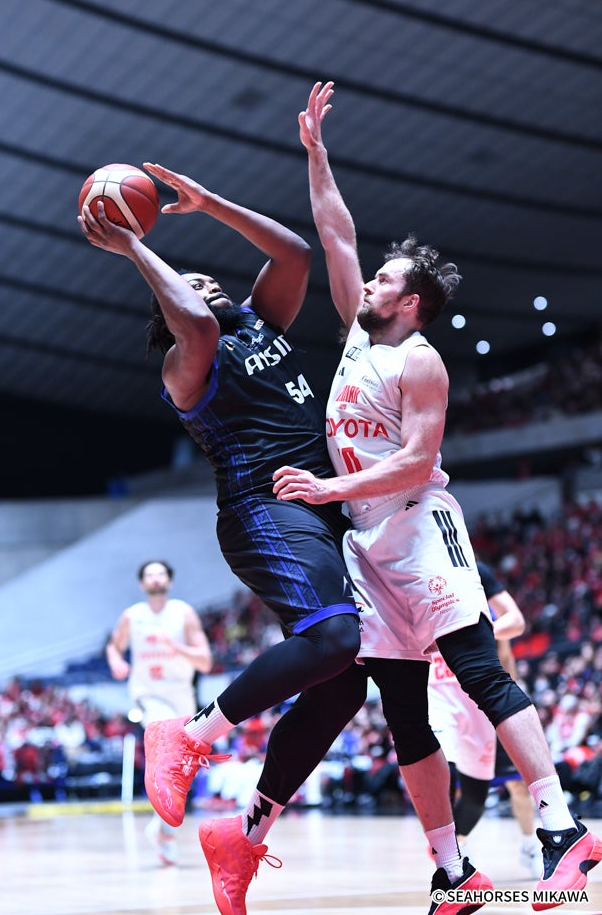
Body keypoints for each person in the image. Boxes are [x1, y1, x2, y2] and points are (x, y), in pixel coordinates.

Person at [272, 80, 602, 914]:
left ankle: (563, 828)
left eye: (383, 279)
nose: (368, 283)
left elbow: (418, 461)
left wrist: (330, 485)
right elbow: (336, 232)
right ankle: (453, 871)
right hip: (366, 544)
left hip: (421, 528)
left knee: (480, 672)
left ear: (409, 301)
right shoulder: (356, 338)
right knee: (403, 712)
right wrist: (316, 155)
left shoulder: (419, 361)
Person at [78, 167, 366, 912]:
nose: (204, 285)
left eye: (208, 279)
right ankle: (190, 734)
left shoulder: (257, 321)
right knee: (336, 638)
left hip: (324, 507)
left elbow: (295, 253)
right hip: (263, 509)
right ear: (171, 312)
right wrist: (135, 247)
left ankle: (244, 833)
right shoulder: (186, 363)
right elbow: (196, 324)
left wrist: (207, 205)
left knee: (345, 684)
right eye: (187, 285)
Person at [428, 560, 543, 878]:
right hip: (449, 707)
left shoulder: (481, 606)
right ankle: (458, 849)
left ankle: (529, 846)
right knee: (459, 785)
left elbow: (505, 657)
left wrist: (510, 704)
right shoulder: (425, 600)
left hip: (487, 704)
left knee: (518, 783)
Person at [105, 559, 213, 865]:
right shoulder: (132, 616)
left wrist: (177, 648)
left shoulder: (183, 613)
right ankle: (164, 832)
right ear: (142, 584)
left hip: (181, 697)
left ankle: (163, 829)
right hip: (148, 695)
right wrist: (116, 661)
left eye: (160, 573)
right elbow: (114, 647)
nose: (155, 578)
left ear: (169, 581)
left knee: (181, 769)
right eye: (149, 575)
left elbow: (205, 662)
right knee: (166, 750)